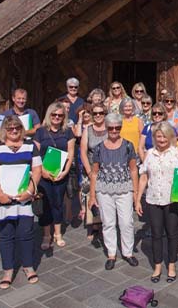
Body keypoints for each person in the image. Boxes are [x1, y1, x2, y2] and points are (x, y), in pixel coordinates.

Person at [0, 115, 43, 289]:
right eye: (10, 128)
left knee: (26, 233)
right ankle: (8, 269)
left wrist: (30, 191)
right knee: (6, 234)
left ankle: (28, 266)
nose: (14, 131)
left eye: (17, 128)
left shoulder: (30, 146)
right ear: (4, 130)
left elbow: (37, 170)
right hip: (2, 198)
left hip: (24, 198)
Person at [136, 122, 178, 283]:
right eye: (158, 136)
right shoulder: (150, 153)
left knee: (172, 234)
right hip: (153, 199)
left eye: (164, 136)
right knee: (156, 234)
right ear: (154, 138)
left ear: (170, 137)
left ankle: (171, 265)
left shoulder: (177, 153)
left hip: (172, 200)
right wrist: (138, 199)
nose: (161, 139)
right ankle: (158, 266)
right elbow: (144, 176)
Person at [88, 113, 140, 270]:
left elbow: (133, 170)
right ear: (106, 128)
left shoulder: (128, 146)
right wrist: (92, 195)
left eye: (118, 127)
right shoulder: (99, 148)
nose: (114, 130)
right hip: (104, 190)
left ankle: (128, 252)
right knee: (108, 223)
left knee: (126, 222)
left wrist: (136, 193)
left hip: (124, 188)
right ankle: (111, 253)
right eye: (111, 128)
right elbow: (95, 172)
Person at [33, 102, 75, 250]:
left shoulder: (68, 131)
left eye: (60, 115)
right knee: (45, 204)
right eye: (54, 114)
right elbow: (35, 153)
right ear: (49, 115)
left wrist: (65, 171)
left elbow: (71, 152)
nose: (57, 117)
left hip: (60, 173)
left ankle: (57, 233)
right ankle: (46, 235)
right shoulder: (40, 132)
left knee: (57, 202)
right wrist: (42, 171)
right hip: (44, 174)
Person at [80, 103, 108, 247]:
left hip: (106, 169)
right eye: (95, 113)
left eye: (101, 113)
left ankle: (105, 226)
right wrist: (89, 170)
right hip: (91, 168)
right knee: (91, 197)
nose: (98, 116)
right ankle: (93, 225)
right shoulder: (88, 130)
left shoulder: (111, 128)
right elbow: (83, 151)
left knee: (105, 197)